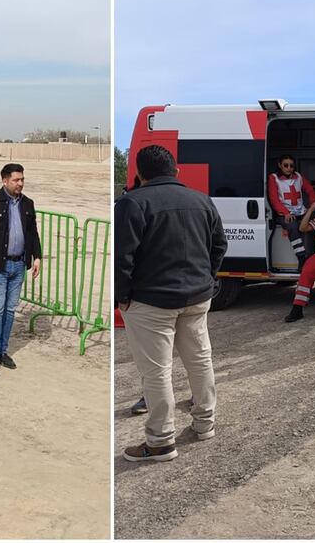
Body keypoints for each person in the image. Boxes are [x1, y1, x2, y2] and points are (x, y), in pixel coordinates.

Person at [115, 145, 227, 462]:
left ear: (139, 173)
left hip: (151, 301)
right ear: (176, 170)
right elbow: (219, 244)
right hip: (197, 298)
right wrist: (207, 277)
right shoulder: (201, 201)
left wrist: (122, 296)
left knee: (156, 372)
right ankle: (205, 424)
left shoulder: (133, 203)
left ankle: (161, 441)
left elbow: (123, 257)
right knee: (200, 361)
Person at [0, 163, 42, 375]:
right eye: (16, 180)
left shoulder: (27, 203)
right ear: (5, 181)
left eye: (22, 179)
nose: (20, 183)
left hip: (18, 264)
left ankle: (3, 351)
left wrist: (37, 256)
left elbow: (32, 232)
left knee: (10, 309)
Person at [267, 155, 315, 269]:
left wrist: (313, 203)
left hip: (301, 211)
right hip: (284, 214)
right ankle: (301, 258)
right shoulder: (274, 178)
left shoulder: (298, 177)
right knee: (293, 226)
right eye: (285, 165)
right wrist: (285, 212)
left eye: (291, 166)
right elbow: (274, 199)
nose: (289, 168)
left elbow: (310, 189)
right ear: (280, 165)